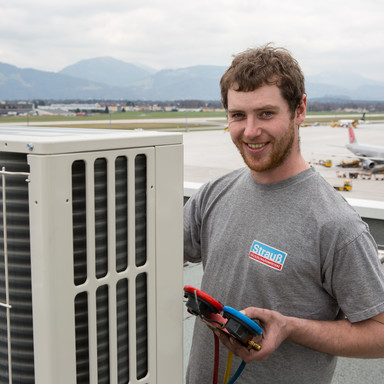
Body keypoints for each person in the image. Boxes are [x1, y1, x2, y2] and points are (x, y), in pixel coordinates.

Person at [183, 44, 384, 383]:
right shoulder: (214, 194)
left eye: (266, 114)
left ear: (299, 109)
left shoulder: (336, 225)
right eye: (237, 115)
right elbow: (147, 256)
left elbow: (378, 333)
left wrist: (290, 328)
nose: (249, 131)